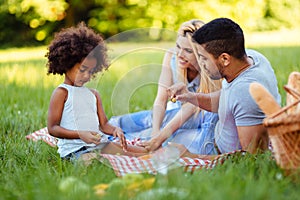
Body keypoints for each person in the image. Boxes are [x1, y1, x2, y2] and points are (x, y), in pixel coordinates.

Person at [168, 18, 281, 159]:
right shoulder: (253, 58)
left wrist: (192, 156)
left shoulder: (245, 92)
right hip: (213, 129)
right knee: (164, 138)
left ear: (225, 59)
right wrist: (190, 96)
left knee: (163, 147)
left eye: (203, 58)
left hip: (214, 151)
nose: (200, 64)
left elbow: (251, 158)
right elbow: (227, 99)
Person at [109, 19, 222, 154]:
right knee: (153, 120)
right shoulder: (172, 57)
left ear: (201, 52)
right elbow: (161, 98)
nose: (180, 54)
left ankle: (122, 137)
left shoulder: (210, 68)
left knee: (169, 126)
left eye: (188, 50)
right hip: (178, 113)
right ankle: (112, 127)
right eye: (178, 47)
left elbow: (191, 109)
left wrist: (160, 137)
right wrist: (156, 131)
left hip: (200, 115)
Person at [46, 22, 147, 161]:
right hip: (75, 150)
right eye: (82, 70)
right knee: (91, 160)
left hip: (99, 144)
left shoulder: (94, 94)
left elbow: (104, 125)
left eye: (91, 71)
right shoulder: (62, 93)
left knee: (136, 152)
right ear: (66, 63)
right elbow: (53, 128)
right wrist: (80, 134)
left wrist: (115, 130)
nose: (87, 75)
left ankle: (161, 155)